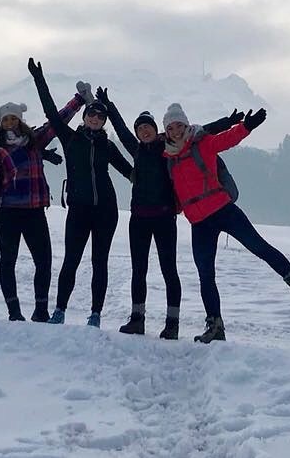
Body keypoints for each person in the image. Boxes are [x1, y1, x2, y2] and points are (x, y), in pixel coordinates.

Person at [161, 102, 290, 343]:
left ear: (186, 124)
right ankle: (215, 325)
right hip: (199, 223)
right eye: (171, 127)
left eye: (179, 125)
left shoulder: (202, 143)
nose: (176, 130)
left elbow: (227, 139)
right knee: (206, 275)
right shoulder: (169, 158)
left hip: (222, 209)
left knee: (258, 246)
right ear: (166, 131)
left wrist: (246, 127)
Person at [97, 87, 241, 340]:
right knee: (138, 270)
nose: (143, 131)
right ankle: (137, 319)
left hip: (164, 218)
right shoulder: (137, 149)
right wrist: (108, 106)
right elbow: (119, 129)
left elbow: (201, 132)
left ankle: (172, 324)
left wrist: (228, 122)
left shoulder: (169, 147)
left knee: (168, 270)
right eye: (140, 129)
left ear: (157, 129)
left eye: (147, 127)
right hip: (139, 218)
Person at [30, 58, 132, 327]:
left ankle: (95, 314)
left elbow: (130, 172)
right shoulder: (70, 138)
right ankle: (60, 310)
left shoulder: (107, 146)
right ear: (85, 117)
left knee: (100, 262)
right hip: (78, 210)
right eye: (92, 115)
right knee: (71, 261)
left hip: (106, 212)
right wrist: (39, 80)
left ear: (103, 121)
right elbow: (51, 112)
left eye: (100, 116)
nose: (96, 118)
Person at [0, 91, 81, 322]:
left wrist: (78, 100)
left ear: (20, 120)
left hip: (34, 211)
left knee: (44, 261)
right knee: (8, 260)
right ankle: (14, 311)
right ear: (1, 122)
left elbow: (57, 121)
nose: (9, 122)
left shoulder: (34, 141)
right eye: (5, 119)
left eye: (13, 118)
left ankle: (41, 310)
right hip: (7, 212)